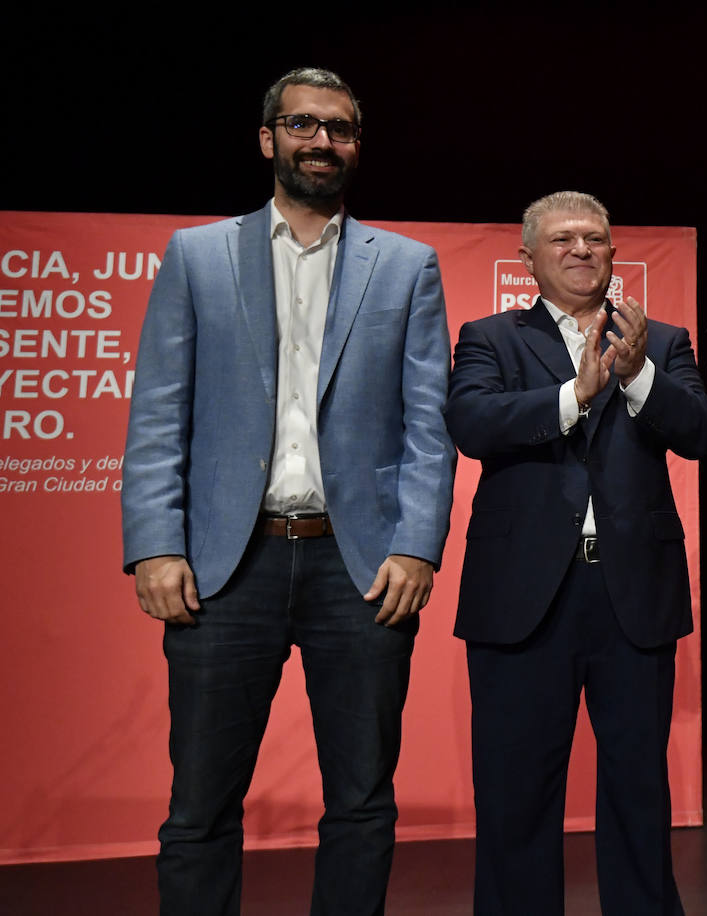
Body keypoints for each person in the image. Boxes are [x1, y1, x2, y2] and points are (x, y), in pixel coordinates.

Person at [121, 67, 454, 916]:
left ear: (355, 146)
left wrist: (416, 542)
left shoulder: (407, 266)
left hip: (361, 570)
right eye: (303, 125)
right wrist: (156, 543)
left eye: (339, 129)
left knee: (362, 802)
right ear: (267, 137)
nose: (322, 142)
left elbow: (429, 423)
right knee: (199, 808)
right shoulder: (197, 255)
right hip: (227, 570)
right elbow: (160, 411)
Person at [445, 191, 707, 915]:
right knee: (515, 795)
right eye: (562, 238)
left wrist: (638, 378)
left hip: (631, 593)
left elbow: (700, 431)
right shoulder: (490, 336)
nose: (581, 250)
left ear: (612, 252)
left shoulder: (660, 340)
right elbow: (473, 422)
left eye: (594, 238)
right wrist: (573, 394)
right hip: (524, 596)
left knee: (637, 791)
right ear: (527, 257)